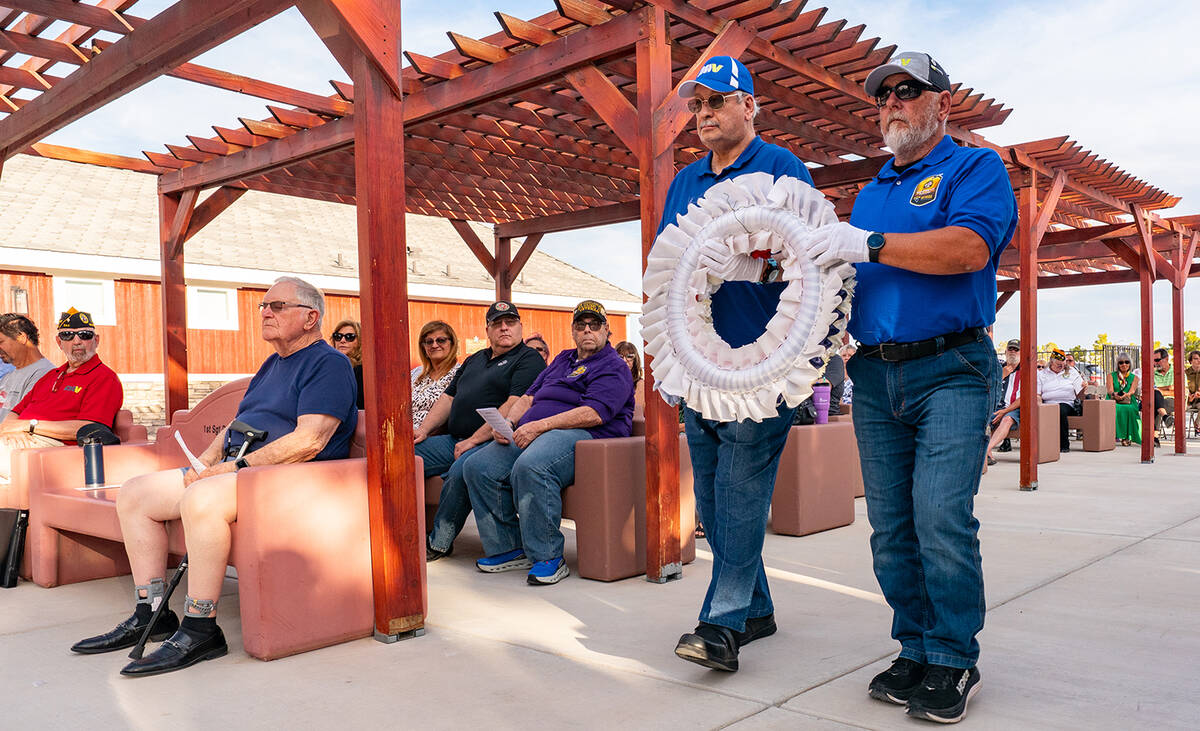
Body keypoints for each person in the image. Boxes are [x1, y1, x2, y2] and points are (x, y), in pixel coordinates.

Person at [799, 51, 1017, 722]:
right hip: (873, 373)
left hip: (952, 367)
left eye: (907, 90)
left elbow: (969, 249)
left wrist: (866, 244)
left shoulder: (975, 167)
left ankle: (952, 656)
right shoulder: (872, 192)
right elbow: (850, 275)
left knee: (940, 515)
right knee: (891, 526)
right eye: (883, 94)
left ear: (942, 104)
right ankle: (916, 646)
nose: (891, 101)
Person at [70, 278, 356, 676]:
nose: (265, 313)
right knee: (136, 493)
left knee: (201, 498)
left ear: (311, 318)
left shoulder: (329, 364)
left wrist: (235, 468)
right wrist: (206, 462)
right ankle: (152, 611)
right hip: (241, 471)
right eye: (263, 306)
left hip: (291, 479)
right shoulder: (272, 364)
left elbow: (310, 439)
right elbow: (240, 423)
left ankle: (200, 628)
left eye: (277, 306)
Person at [649, 55, 817, 674]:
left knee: (739, 494)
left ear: (749, 105)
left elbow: (807, 258)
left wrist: (744, 268)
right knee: (716, 502)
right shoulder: (686, 181)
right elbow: (670, 266)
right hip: (700, 369)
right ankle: (757, 608)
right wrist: (668, 359)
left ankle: (720, 625)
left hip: (764, 367)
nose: (704, 113)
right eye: (697, 104)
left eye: (716, 101)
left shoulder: (782, 168)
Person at [463, 300, 634, 585]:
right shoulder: (563, 359)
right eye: (581, 325)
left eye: (595, 325)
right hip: (536, 431)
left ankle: (548, 557)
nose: (587, 330)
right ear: (573, 331)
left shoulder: (613, 365)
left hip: (588, 438)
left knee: (532, 465)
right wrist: (510, 424)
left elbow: (594, 413)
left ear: (607, 330)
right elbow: (528, 396)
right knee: (479, 466)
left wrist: (539, 426)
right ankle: (508, 548)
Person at [416, 302, 545, 561]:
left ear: (520, 327)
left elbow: (512, 404)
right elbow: (448, 398)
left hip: (494, 442)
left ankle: (439, 542)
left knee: (461, 470)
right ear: (488, 330)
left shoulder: (528, 359)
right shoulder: (474, 359)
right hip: (453, 439)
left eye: (510, 322)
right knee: (405, 455)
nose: (504, 327)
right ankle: (397, 526)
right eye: (497, 323)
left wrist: (473, 440)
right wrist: (423, 430)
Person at [0, 309, 122, 480]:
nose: (77, 341)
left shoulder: (104, 378)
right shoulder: (51, 376)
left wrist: (30, 426)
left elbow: (89, 429)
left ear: (96, 340)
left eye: (85, 335)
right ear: (59, 342)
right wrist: (12, 430)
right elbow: (12, 416)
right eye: (67, 336)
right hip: (20, 443)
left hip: (57, 451)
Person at [0, 313, 55, 421]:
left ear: (21, 338)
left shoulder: (45, 375)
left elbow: (26, 421)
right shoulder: (8, 376)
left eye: (1, 342)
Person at [411, 321, 460, 430]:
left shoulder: (460, 374)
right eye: (429, 342)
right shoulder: (415, 373)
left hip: (433, 434)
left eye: (441, 340)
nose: (434, 345)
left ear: (452, 344)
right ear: (423, 347)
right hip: (403, 430)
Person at [985, 339, 1023, 466]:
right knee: (983, 420)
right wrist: (1002, 374)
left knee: (1007, 419)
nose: (1012, 352)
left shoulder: (1025, 371)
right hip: (995, 407)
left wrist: (1005, 411)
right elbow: (987, 387)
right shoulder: (998, 368)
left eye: (1016, 349)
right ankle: (986, 454)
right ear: (1006, 351)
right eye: (1010, 349)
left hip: (1013, 408)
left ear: (1021, 352)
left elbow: (1023, 398)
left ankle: (986, 449)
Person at [1038, 349, 1084, 453]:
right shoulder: (1042, 374)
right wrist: (1039, 405)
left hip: (1067, 403)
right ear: (1051, 362)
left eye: (1063, 364)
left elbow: (1080, 393)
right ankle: (1043, 444)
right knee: (1047, 410)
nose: (1062, 367)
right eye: (1059, 365)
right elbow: (1038, 394)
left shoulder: (1072, 371)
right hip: (1047, 404)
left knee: (1060, 410)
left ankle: (1064, 444)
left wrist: (1084, 388)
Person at [329, 319, 364, 409]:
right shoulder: (328, 366)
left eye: (349, 337)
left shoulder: (362, 370)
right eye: (338, 336)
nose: (342, 340)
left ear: (360, 341)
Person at [1107, 353, 1141, 446]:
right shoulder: (1111, 375)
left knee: (1130, 409)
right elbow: (1110, 390)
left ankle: (1127, 437)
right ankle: (1115, 435)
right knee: (1115, 408)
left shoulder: (1135, 377)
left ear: (1130, 364)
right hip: (1113, 399)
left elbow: (1132, 391)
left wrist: (1125, 395)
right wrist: (1115, 394)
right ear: (1117, 364)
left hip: (1128, 400)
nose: (1124, 364)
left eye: (1126, 362)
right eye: (1121, 362)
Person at [615, 340, 644, 417]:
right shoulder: (608, 382)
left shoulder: (639, 384)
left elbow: (636, 412)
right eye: (620, 357)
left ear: (635, 360)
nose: (625, 360)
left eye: (630, 356)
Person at [1151, 348, 1174, 446]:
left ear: (1166, 359)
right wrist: (1168, 388)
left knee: (1156, 401)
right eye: (1153, 361)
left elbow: (1181, 392)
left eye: (1157, 360)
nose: (1155, 363)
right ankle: (1165, 416)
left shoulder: (1177, 372)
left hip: (1173, 401)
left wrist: (1160, 390)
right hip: (1156, 400)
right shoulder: (1152, 373)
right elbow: (1149, 389)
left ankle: (1155, 437)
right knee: (1156, 400)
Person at [1185, 350, 1200, 438]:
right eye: (1196, 359)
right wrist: (1189, 395)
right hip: (1187, 401)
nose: (1199, 360)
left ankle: (1197, 425)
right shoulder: (1185, 373)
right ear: (1190, 361)